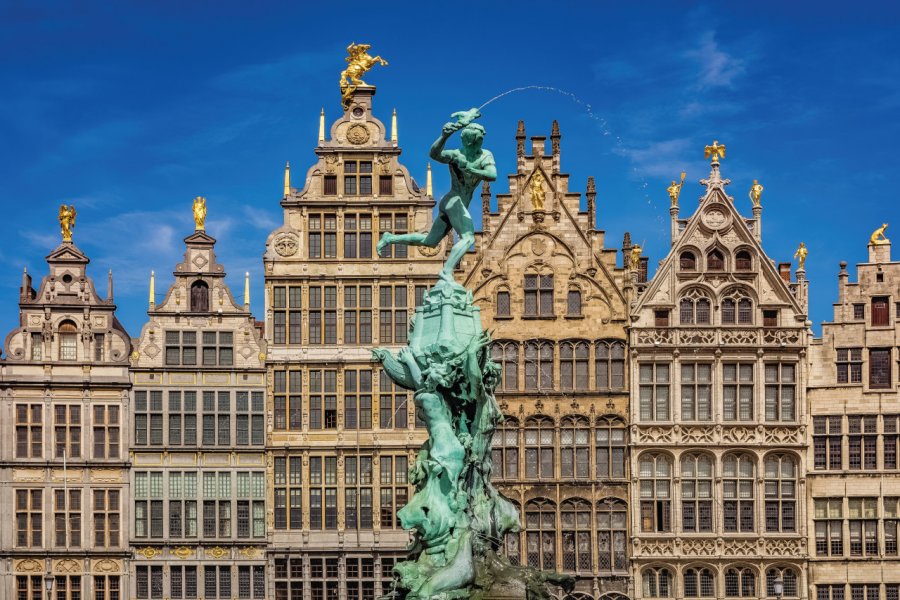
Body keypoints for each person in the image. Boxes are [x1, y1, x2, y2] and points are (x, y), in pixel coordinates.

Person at [377, 110, 497, 282]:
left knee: (429, 241)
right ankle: (447, 271)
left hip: (453, 204)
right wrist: (444, 136)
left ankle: (390, 238)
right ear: (470, 142)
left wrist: (470, 169)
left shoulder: (485, 155)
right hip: (453, 201)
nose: (478, 144)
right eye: (475, 142)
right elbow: (434, 154)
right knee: (468, 237)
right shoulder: (456, 155)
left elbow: (492, 175)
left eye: (479, 141)